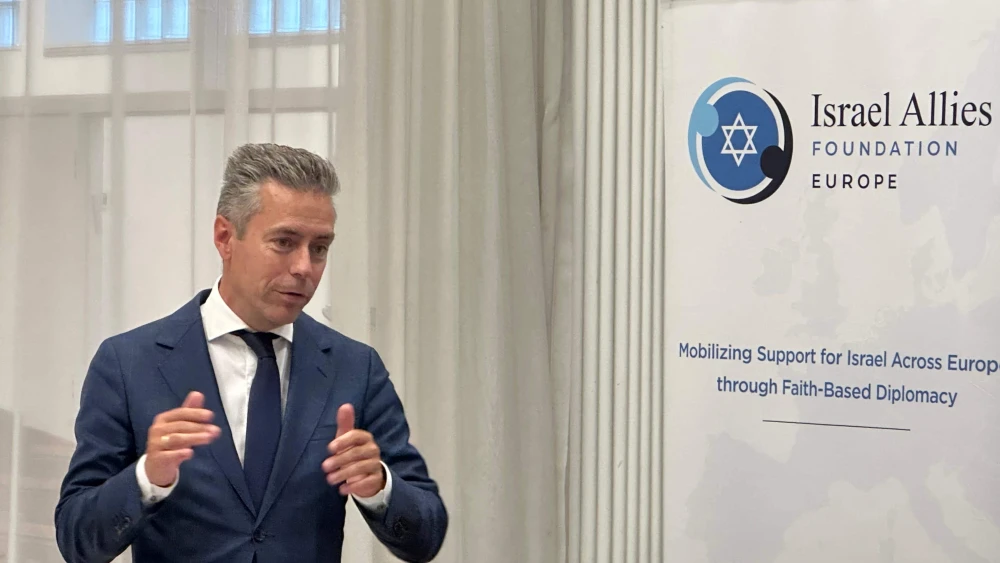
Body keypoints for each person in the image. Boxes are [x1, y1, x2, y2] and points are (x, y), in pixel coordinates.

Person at [54, 143, 448, 562]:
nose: (304, 267)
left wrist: (380, 487)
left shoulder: (354, 368)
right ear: (225, 237)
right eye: (284, 242)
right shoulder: (129, 363)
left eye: (319, 248)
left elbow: (425, 535)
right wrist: (146, 480)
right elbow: (77, 540)